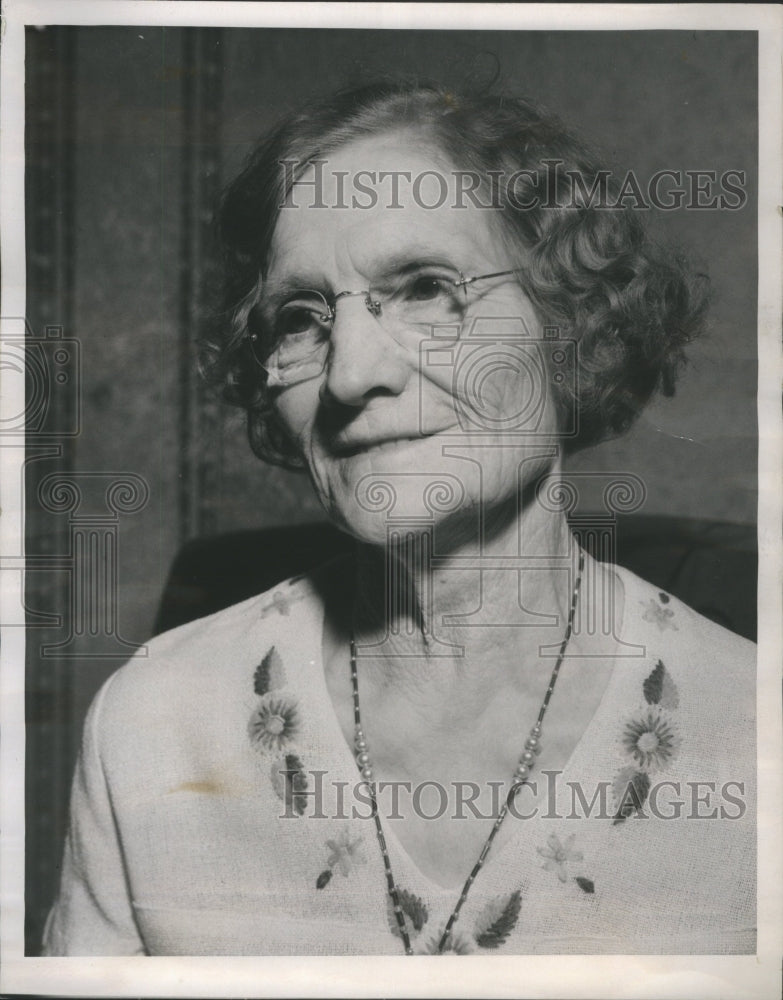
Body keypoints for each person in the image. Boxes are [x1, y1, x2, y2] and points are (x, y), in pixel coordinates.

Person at [43, 82, 755, 956]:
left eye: (424, 288)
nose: (349, 376)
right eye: (301, 317)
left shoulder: (755, 738)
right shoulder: (150, 724)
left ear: (569, 323)